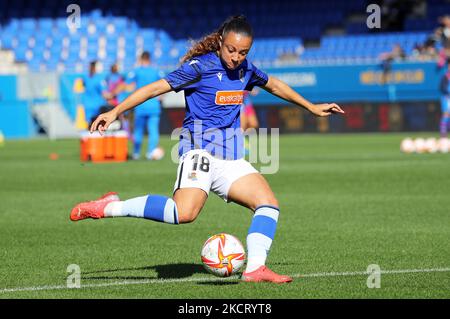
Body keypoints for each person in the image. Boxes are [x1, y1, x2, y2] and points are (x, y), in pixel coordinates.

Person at [70, 15, 344, 283]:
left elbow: (274, 85)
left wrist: (310, 106)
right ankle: (110, 206)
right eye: (232, 49)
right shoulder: (199, 67)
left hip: (230, 157)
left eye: (243, 52)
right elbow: (154, 89)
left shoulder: (245, 69)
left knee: (268, 205)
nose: (236, 56)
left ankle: (255, 269)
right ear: (221, 41)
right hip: (198, 151)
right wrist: (116, 111)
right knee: (184, 213)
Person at [126, 52, 164, 160]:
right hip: (154, 106)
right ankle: (150, 153)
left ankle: (136, 153)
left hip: (140, 105)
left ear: (141, 59)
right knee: (153, 131)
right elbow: (166, 83)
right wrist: (161, 97)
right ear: (149, 59)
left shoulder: (137, 71)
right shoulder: (156, 71)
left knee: (138, 130)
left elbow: (128, 84)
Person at [78, 61, 108, 125]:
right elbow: (104, 94)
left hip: (91, 105)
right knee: (96, 126)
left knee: (91, 126)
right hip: (96, 105)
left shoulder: (86, 77)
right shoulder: (99, 78)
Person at [439, 60, 450, 138]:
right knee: (446, 115)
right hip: (447, 98)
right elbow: (442, 88)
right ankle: (443, 134)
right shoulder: (445, 76)